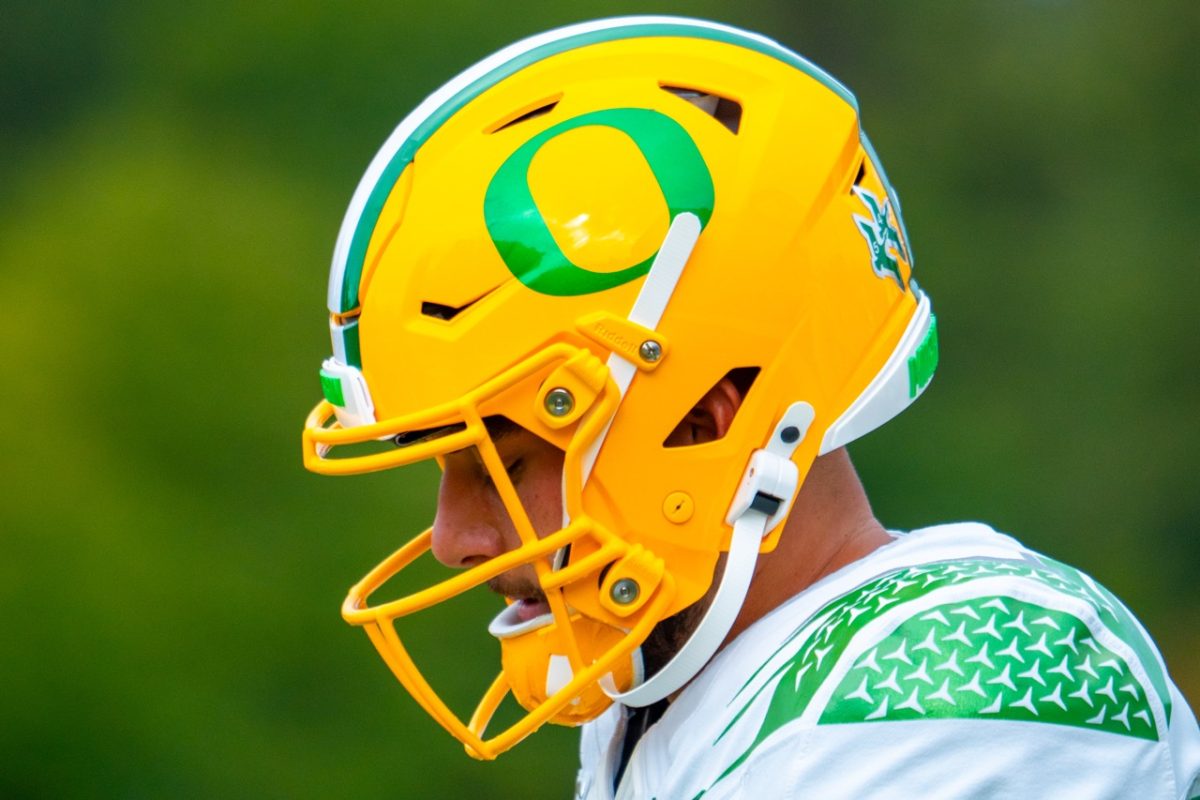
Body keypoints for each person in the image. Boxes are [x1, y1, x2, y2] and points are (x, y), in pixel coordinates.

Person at [302, 16, 1200, 799]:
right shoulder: (658, 706)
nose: (455, 537)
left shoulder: (972, 671)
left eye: (509, 460)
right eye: (445, 462)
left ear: (706, 419)